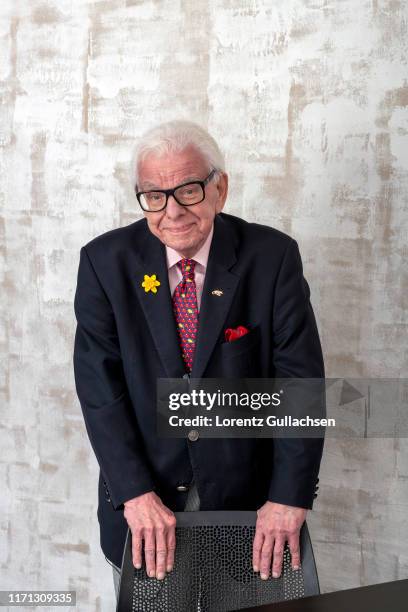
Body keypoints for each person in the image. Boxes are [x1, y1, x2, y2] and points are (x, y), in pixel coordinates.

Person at [73, 119, 324, 605]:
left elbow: (301, 385)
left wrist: (289, 497)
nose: (173, 211)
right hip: (147, 511)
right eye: (154, 195)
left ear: (219, 187)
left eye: (188, 190)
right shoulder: (105, 263)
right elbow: (99, 391)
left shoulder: (272, 258)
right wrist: (135, 494)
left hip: (252, 514)